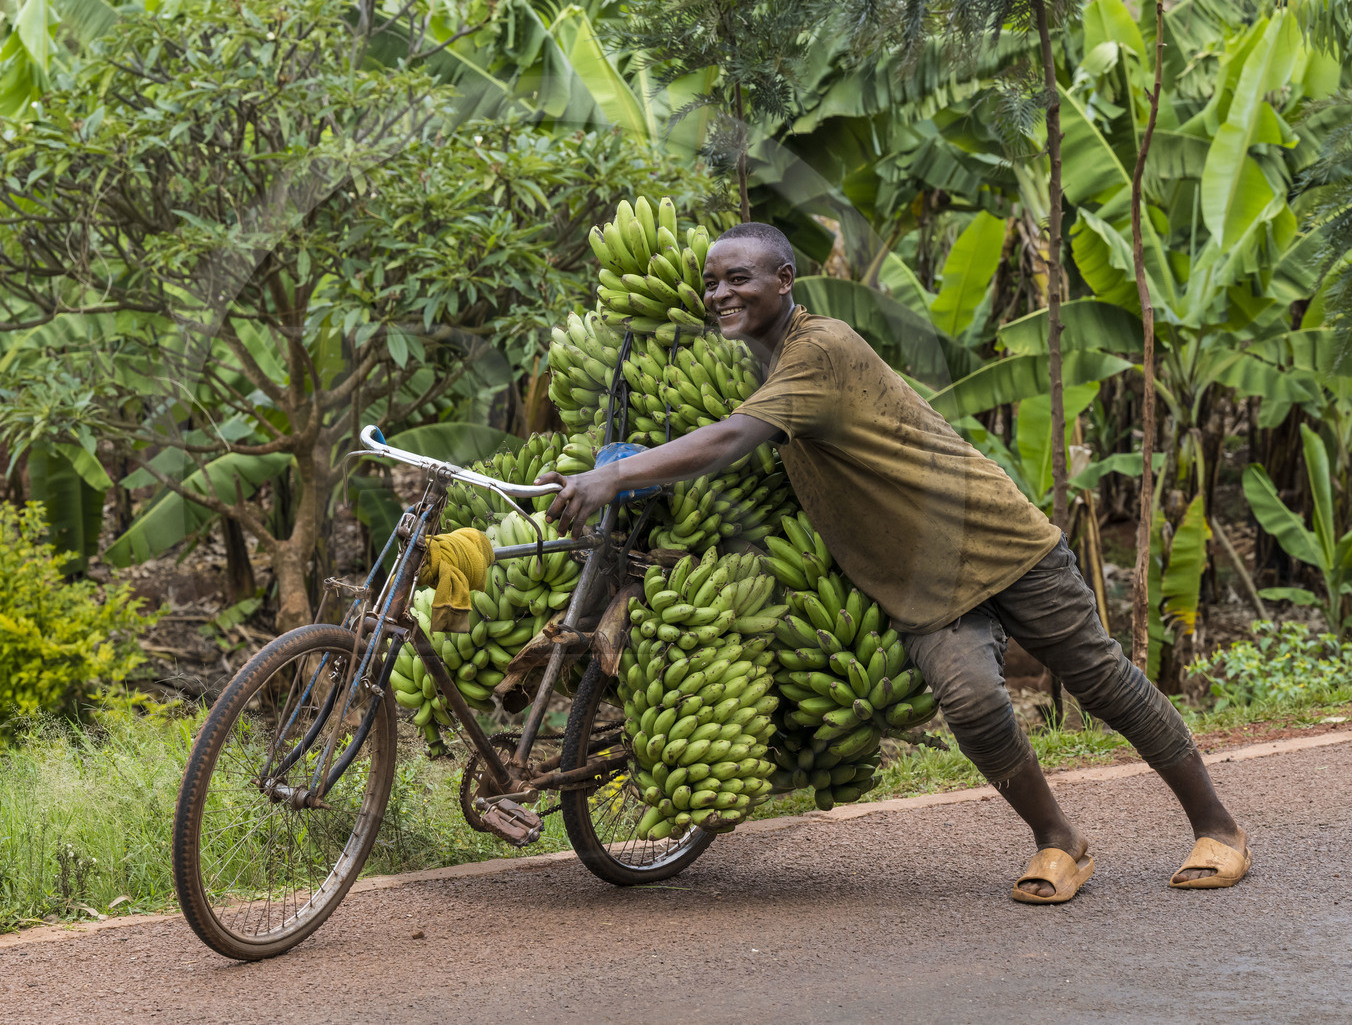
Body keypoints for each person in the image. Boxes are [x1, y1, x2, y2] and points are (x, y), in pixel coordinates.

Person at [536, 221, 1251, 903]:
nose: (719, 292)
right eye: (710, 281)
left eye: (738, 278)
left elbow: (731, 438)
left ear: (785, 280)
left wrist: (611, 478)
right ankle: (1060, 839)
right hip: (916, 578)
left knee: (1102, 679)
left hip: (995, 536)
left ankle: (1218, 828)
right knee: (971, 704)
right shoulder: (761, 359)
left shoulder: (822, 347)